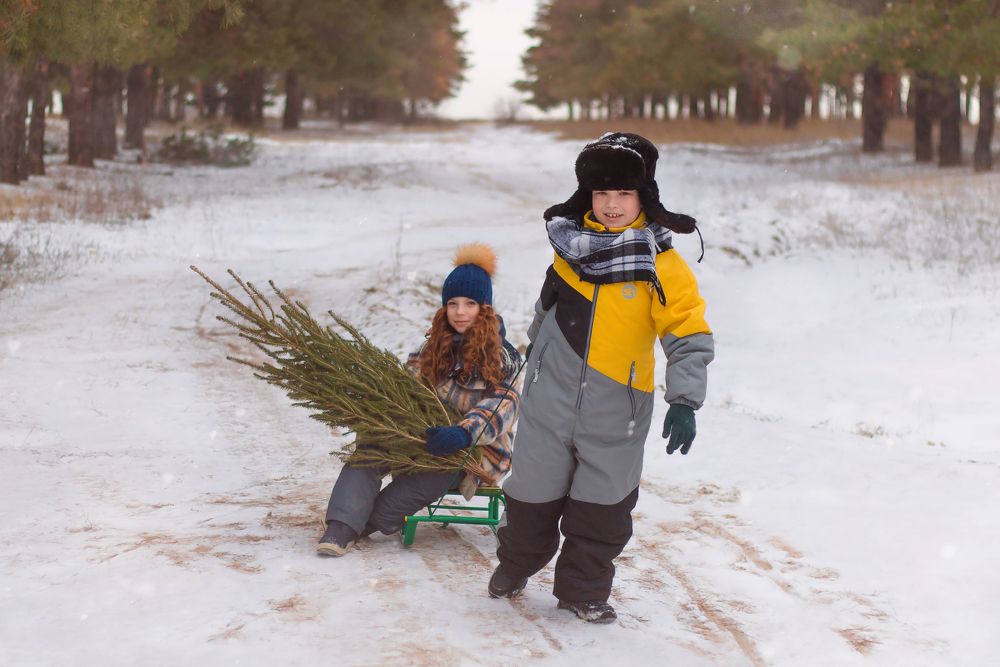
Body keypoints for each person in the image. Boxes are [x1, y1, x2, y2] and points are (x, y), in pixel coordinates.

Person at [488, 133, 715, 623]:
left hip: (618, 408)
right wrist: (532, 359)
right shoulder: (569, 250)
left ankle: (582, 591)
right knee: (530, 495)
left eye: (623, 194)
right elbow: (544, 313)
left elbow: (687, 333)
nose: (612, 205)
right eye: (602, 194)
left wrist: (685, 400)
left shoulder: (664, 265)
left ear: (643, 198)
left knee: (602, 507)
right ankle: (515, 564)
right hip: (550, 400)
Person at [318, 244, 522, 556]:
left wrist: (464, 433)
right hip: (422, 433)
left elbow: (503, 407)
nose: (460, 312)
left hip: (474, 451)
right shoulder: (429, 349)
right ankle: (342, 525)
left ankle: (372, 520)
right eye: (452, 304)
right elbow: (405, 389)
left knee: (435, 469)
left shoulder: (502, 356)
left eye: (470, 303)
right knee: (372, 446)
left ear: (485, 307)